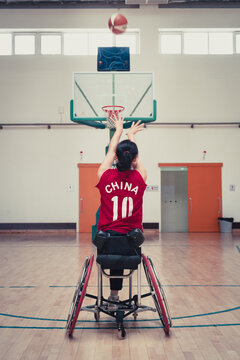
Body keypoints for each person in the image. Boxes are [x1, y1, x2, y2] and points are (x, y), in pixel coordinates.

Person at [96, 114, 147, 310]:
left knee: (112, 248)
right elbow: (137, 160)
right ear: (134, 158)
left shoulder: (105, 174)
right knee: (125, 243)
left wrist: (118, 130)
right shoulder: (140, 177)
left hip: (107, 242)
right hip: (131, 244)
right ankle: (119, 295)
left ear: (116, 157)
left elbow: (110, 152)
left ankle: (113, 296)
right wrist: (131, 135)